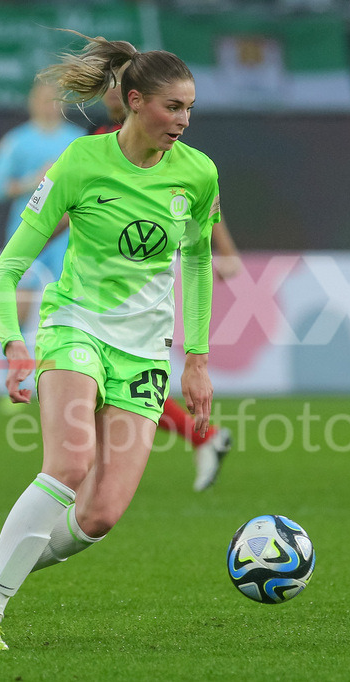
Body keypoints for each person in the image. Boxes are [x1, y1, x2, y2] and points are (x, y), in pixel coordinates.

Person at [0, 32, 221, 651]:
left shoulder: (199, 174)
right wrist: (13, 344)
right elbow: (7, 268)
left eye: (189, 108)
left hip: (145, 350)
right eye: (172, 107)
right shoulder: (79, 162)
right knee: (70, 465)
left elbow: (198, 262)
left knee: (100, 515)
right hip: (75, 326)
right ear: (134, 101)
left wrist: (197, 357)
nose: (183, 121)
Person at [90, 63, 238, 493]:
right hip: (87, 277)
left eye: (120, 84)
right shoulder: (99, 143)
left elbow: (200, 210)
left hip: (126, 287)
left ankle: (84, 485)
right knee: (97, 386)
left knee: (107, 383)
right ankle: (200, 438)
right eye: (110, 85)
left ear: (136, 95)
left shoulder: (169, 153)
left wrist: (225, 251)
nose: (113, 92)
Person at [0, 80, 85, 329]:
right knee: (19, 311)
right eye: (43, 99)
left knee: (68, 312)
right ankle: (14, 353)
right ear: (32, 103)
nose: (49, 106)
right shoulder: (17, 141)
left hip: (68, 238)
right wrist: (35, 181)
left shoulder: (79, 141)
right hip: (28, 231)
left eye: (54, 100)